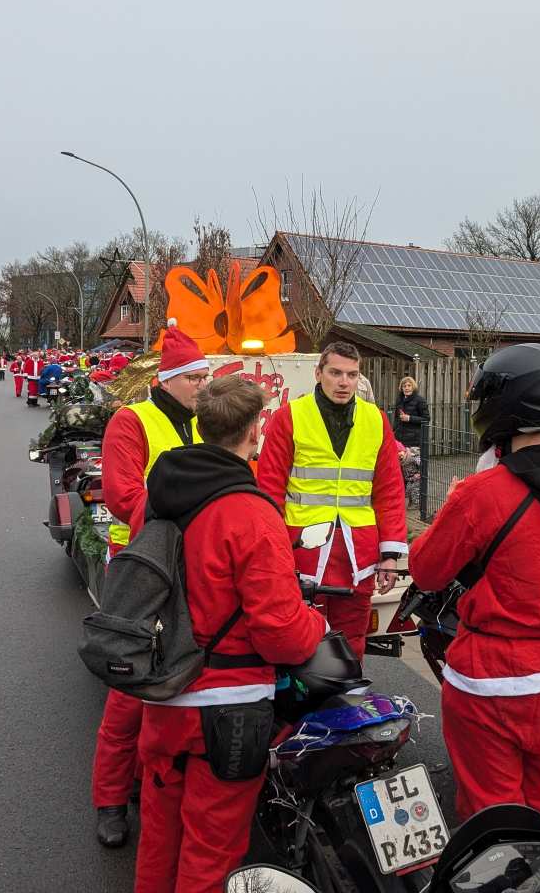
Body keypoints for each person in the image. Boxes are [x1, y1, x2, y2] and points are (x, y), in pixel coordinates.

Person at [132, 376, 327, 893]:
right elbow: (282, 635)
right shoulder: (252, 513)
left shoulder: (156, 497)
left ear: (201, 426)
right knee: (211, 851)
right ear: (255, 430)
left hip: (163, 695)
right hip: (229, 708)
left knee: (159, 837)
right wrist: (317, 624)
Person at [409, 343, 540, 831]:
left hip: (492, 679)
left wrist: (454, 504)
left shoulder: (482, 493)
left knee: (492, 813)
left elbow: (427, 571)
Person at [91, 323, 209, 849]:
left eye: (205, 377)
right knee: (129, 689)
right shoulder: (131, 421)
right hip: (140, 568)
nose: (203, 386)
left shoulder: (204, 424)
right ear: (168, 380)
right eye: (194, 378)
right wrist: (189, 519)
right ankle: (111, 801)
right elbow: (122, 494)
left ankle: (152, 776)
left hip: (192, 566)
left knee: (183, 675)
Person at [257, 341, 407, 660]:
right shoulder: (289, 417)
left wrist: (390, 556)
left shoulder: (376, 419)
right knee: (302, 638)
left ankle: (348, 688)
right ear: (318, 373)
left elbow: (390, 491)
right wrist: (273, 553)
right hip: (303, 552)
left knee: (352, 641)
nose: (344, 382)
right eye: (335, 373)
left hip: (358, 554)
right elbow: (269, 491)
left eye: (352, 375)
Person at [392, 376, 430, 448]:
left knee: (411, 456)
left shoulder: (420, 400)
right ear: (401, 388)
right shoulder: (399, 400)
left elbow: (426, 419)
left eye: (409, 385)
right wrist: (394, 431)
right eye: (404, 386)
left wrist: (409, 418)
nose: (407, 388)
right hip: (399, 438)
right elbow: (396, 418)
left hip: (413, 440)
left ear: (413, 387)